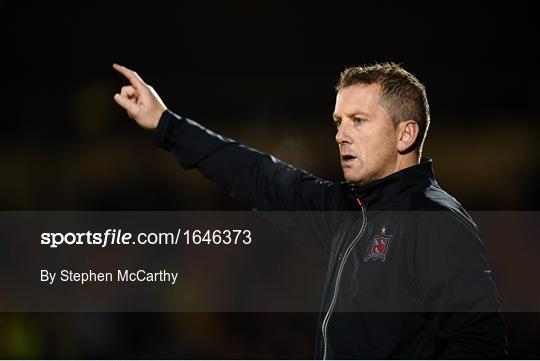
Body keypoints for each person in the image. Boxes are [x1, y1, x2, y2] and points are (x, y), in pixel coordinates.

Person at [112, 62, 508, 359]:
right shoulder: (348, 212)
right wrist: (166, 123)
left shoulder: (432, 220)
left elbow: (480, 344)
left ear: (406, 133)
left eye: (358, 120)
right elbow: (259, 176)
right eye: (338, 121)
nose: (340, 134)